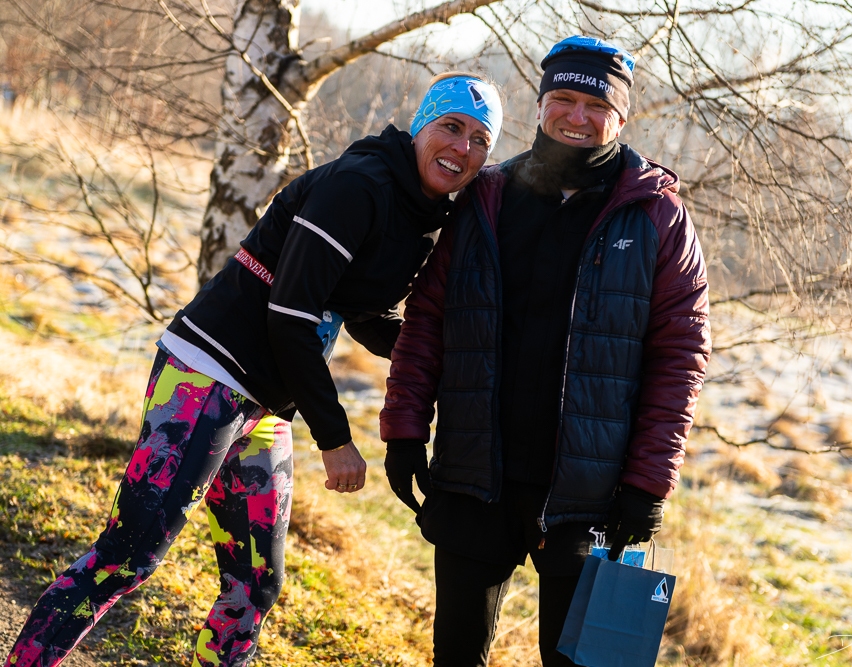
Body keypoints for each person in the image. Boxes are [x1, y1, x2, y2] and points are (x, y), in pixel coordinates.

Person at [4, 72, 503, 667]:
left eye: (480, 140)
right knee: (127, 556)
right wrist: (335, 439)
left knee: (255, 583)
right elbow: (290, 316)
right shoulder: (359, 185)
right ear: (421, 125)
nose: (462, 147)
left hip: (265, 401)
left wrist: (447, 364)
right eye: (451, 126)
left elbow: (360, 312)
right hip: (206, 376)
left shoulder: (421, 215)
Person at [380, 37, 711, 666]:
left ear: (621, 117)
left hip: (593, 493)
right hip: (476, 475)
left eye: (598, 105)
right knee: (456, 655)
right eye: (563, 98)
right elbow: (427, 321)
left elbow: (681, 355)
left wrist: (648, 484)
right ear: (539, 105)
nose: (577, 116)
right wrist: (404, 431)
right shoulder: (486, 197)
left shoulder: (656, 216)